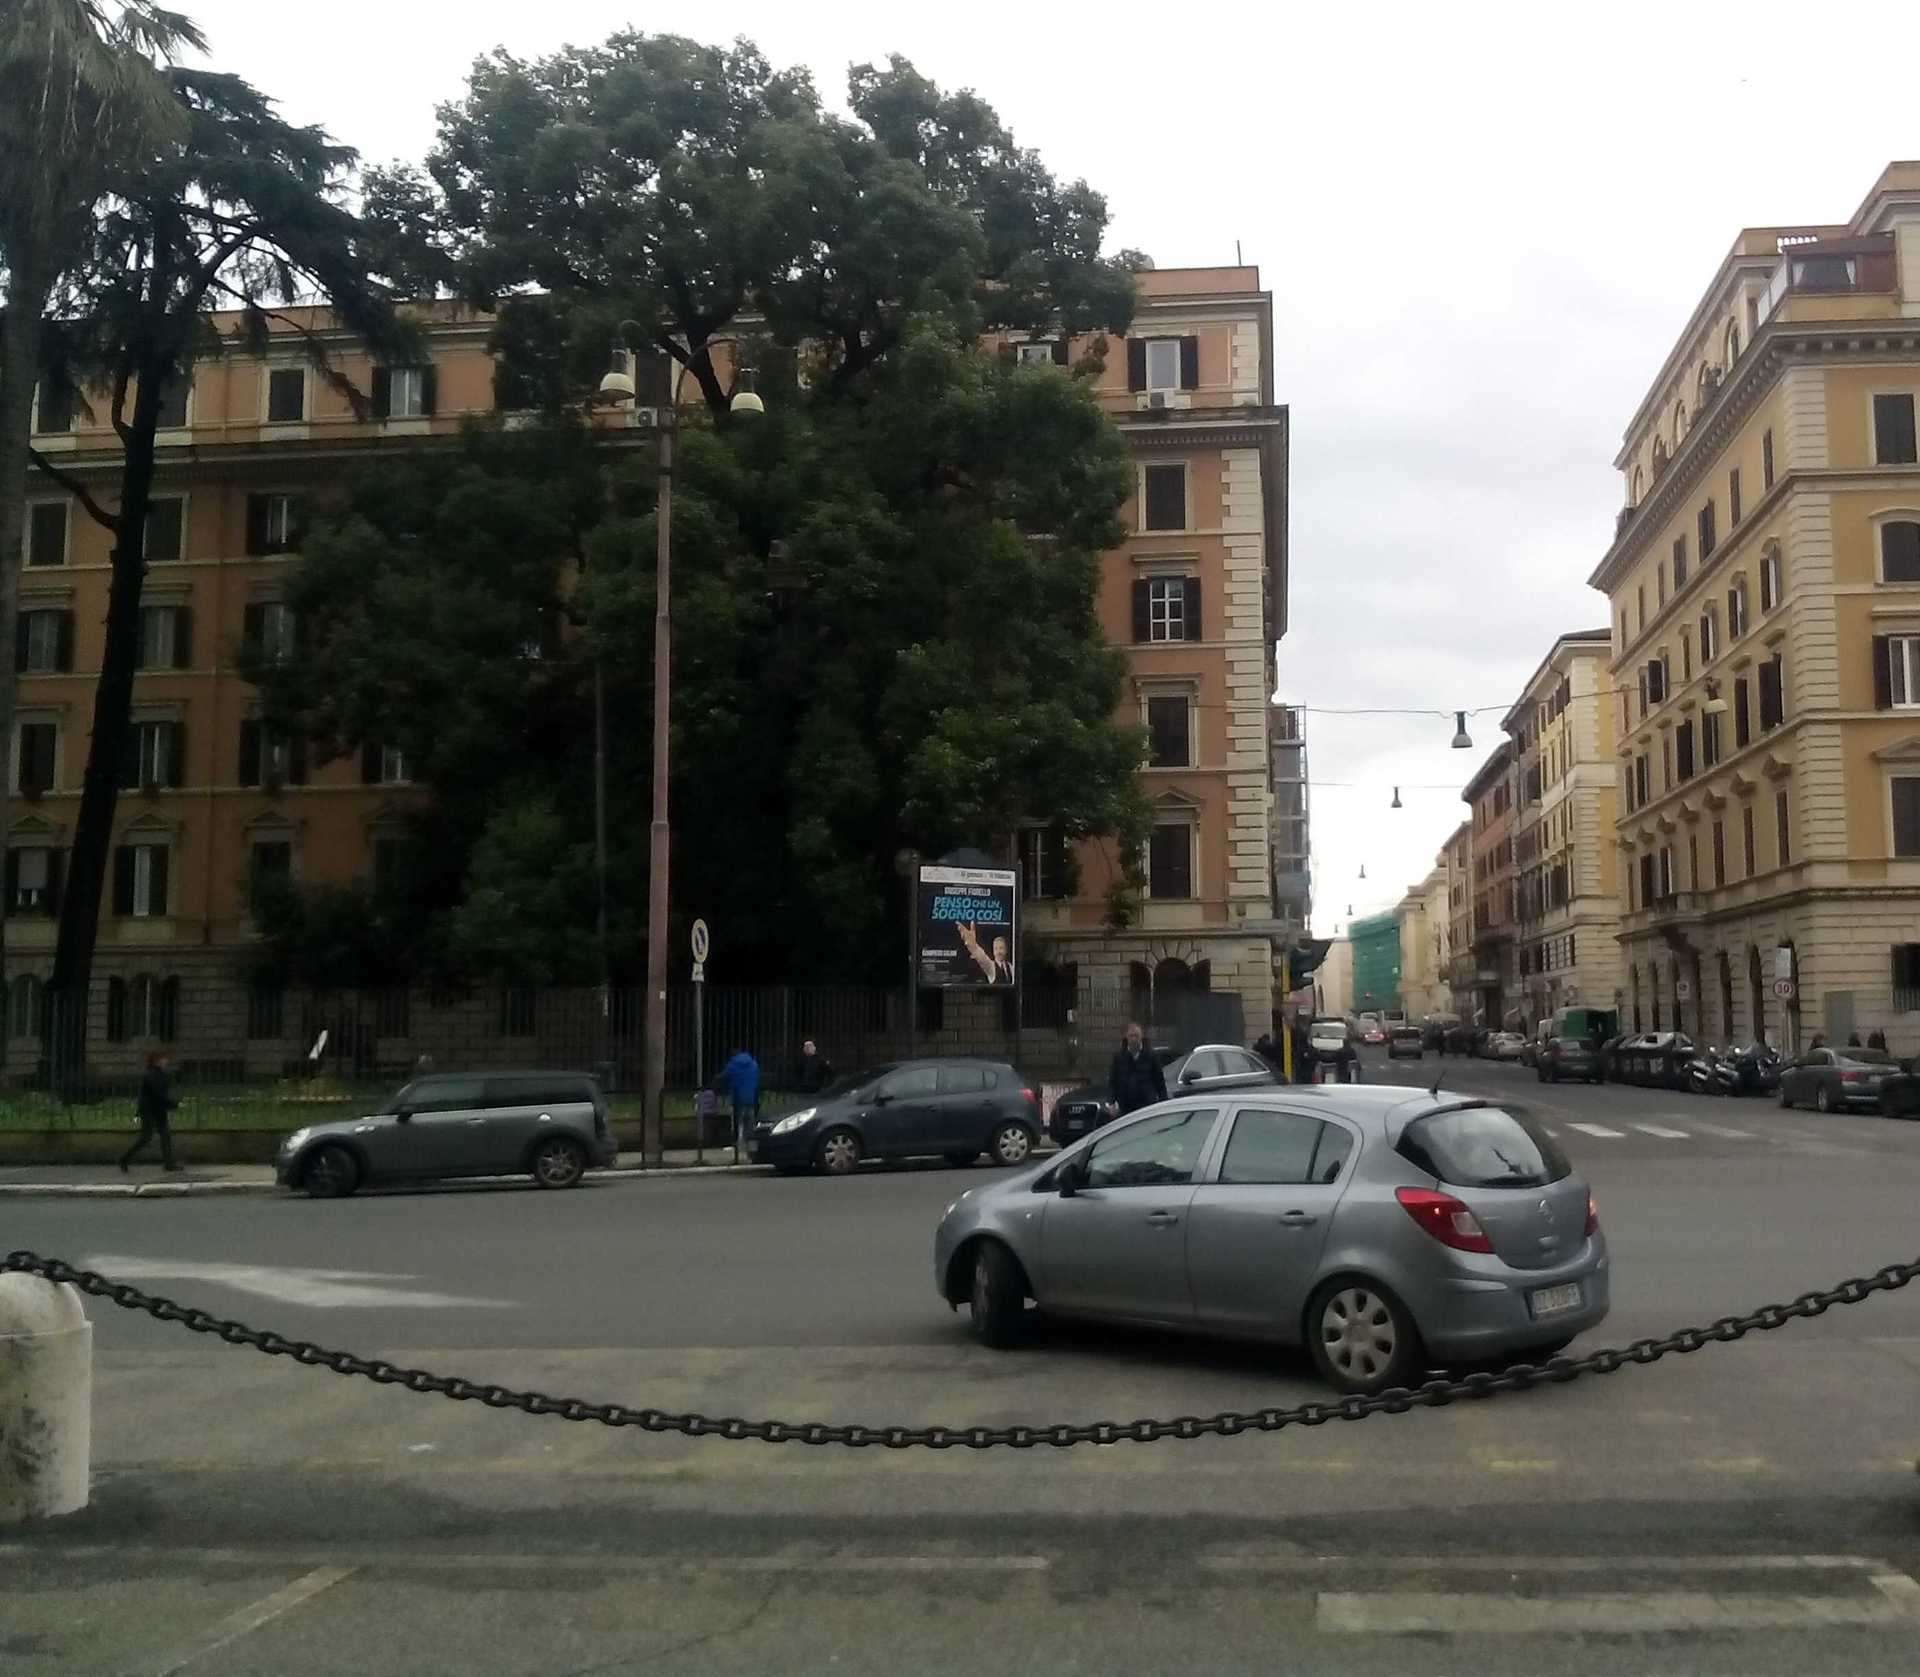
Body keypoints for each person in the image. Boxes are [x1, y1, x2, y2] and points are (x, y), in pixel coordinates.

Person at [120, 1050, 181, 1174]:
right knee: (146, 1138)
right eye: (163, 1059)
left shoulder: (160, 1074)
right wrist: (173, 1104)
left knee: (165, 1135)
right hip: (149, 1111)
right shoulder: (152, 1075)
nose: (166, 1061)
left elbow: (160, 1094)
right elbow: (156, 1095)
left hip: (158, 1110)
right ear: (156, 1061)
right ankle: (125, 1159)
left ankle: (169, 1164)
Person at [1107, 1022, 1167, 1117]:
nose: (1134, 1039)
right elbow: (1112, 1081)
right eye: (1131, 1036)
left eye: (1136, 1036)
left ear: (1141, 1036)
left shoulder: (1151, 1056)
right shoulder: (1119, 1057)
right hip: (1125, 1106)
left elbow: (1160, 1081)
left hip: (1147, 1105)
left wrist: (1163, 1103)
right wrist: (1111, 1102)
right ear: (1126, 1037)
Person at [715, 1048, 761, 1151]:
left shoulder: (732, 1065)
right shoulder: (754, 1064)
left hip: (737, 1099)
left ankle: (736, 1145)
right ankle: (750, 1146)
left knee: (737, 1123)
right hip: (751, 1098)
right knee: (750, 1123)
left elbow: (723, 1077)